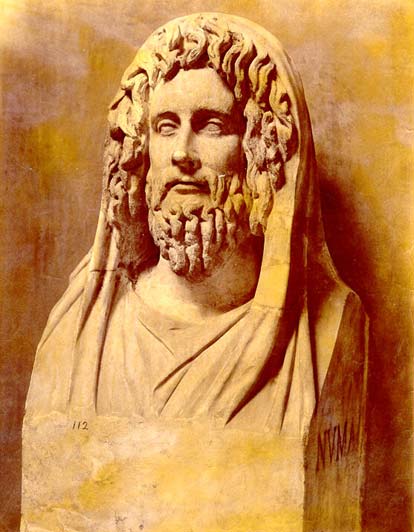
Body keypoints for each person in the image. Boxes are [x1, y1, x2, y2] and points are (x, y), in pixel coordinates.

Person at [22, 13, 368, 531]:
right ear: (140, 150)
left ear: (261, 151)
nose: (183, 154)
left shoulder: (325, 329)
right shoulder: (76, 334)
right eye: (165, 127)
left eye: (212, 126)